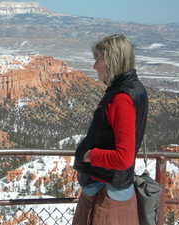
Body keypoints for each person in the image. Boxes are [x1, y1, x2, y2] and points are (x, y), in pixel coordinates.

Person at [72, 34, 148, 225]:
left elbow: (123, 158)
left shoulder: (122, 98)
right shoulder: (134, 88)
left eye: (97, 59)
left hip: (105, 192)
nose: (94, 66)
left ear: (111, 60)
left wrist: (89, 156)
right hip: (108, 187)